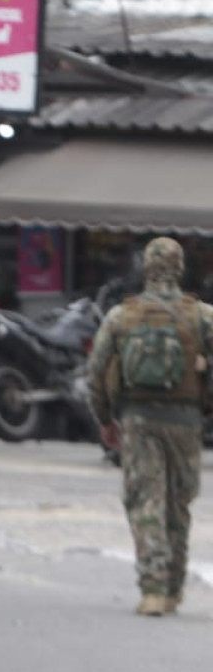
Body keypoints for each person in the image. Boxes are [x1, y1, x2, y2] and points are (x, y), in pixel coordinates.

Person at [84, 237, 213, 617]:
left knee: (146, 501)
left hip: (138, 421)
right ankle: (173, 587)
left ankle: (153, 589)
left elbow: (95, 372)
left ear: (146, 269)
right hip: (186, 421)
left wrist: (105, 419)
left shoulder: (122, 316)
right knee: (178, 502)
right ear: (179, 268)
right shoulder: (202, 315)